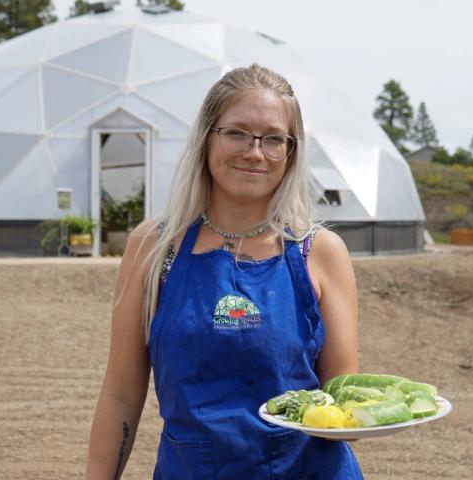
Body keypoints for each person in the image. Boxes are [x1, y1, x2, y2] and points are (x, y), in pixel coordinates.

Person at [85, 64, 364, 479]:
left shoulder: (320, 252)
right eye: (236, 133)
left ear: (291, 151)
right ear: (206, 138)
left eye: (274, 139)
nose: (255, 152)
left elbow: (342, 405)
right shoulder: (154, 247)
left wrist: (370, 412)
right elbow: (122, 394)